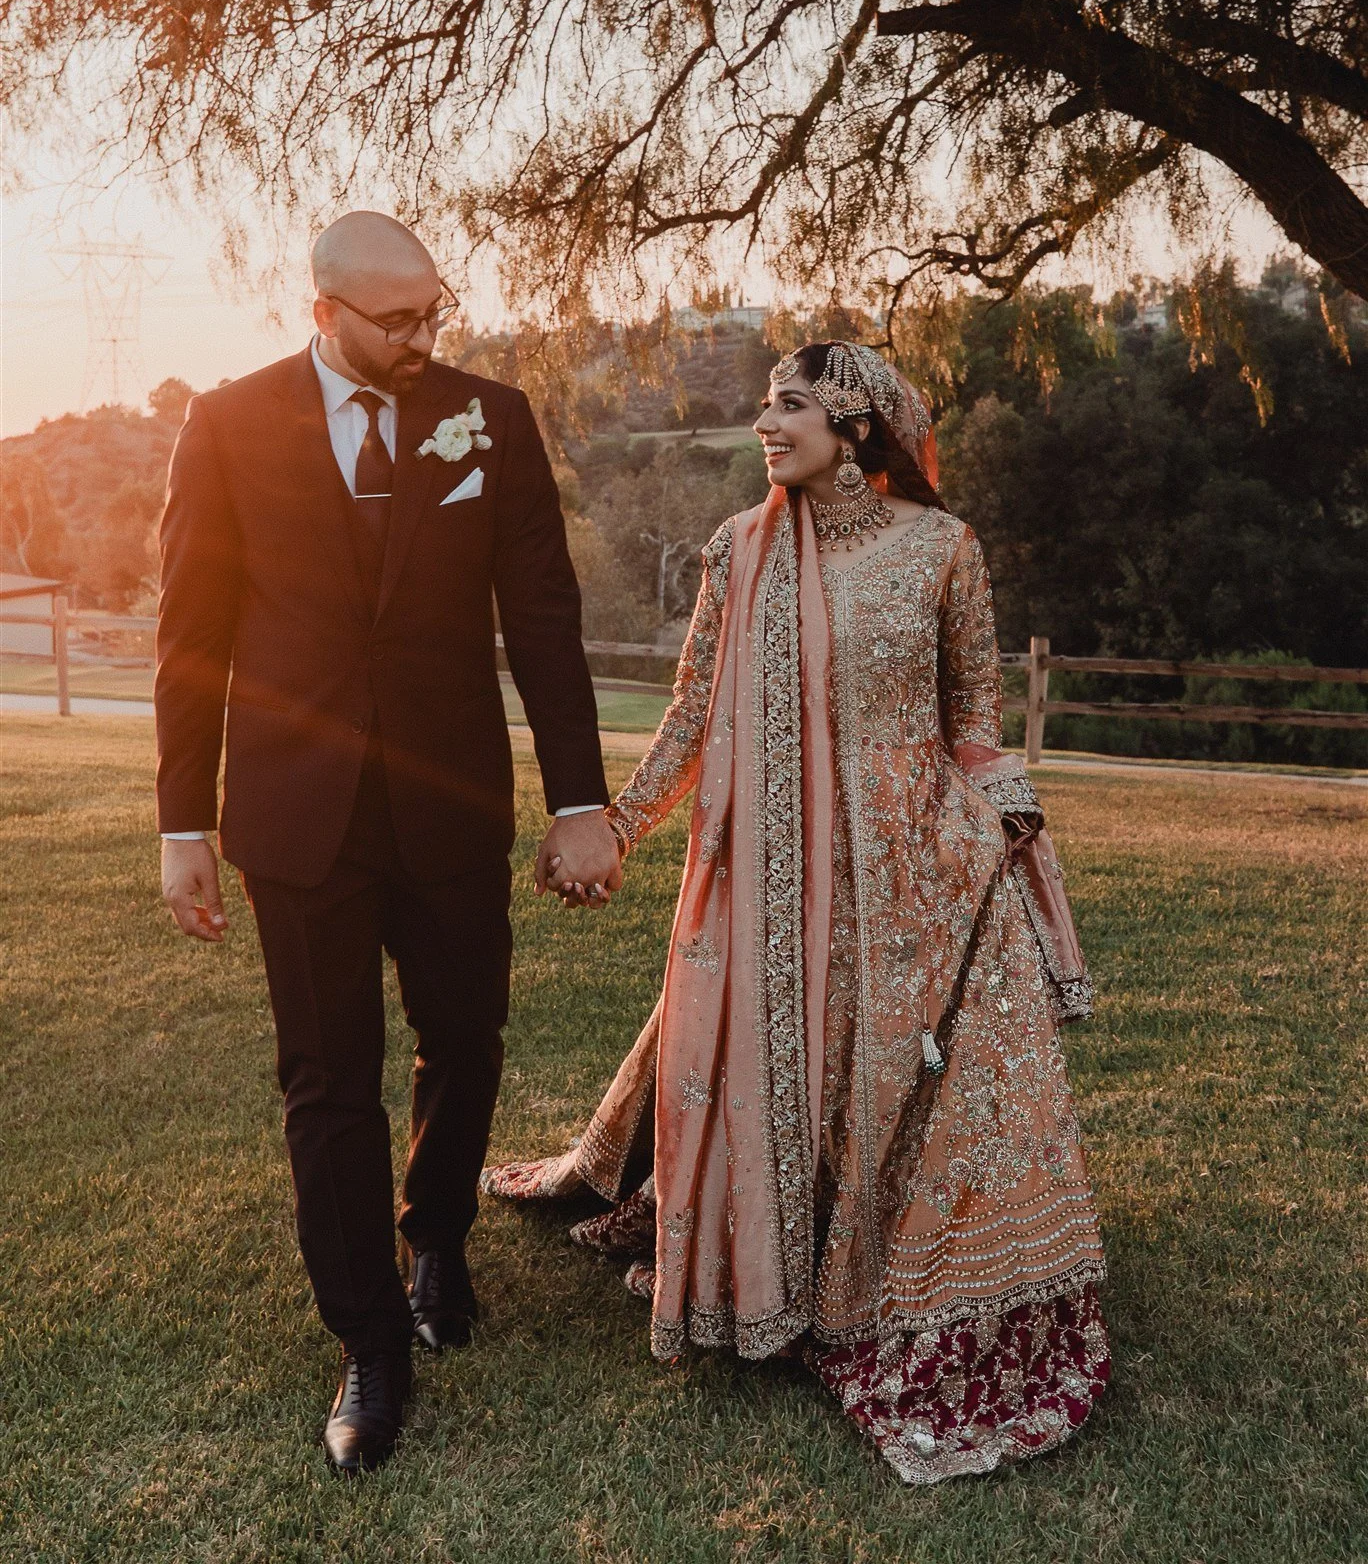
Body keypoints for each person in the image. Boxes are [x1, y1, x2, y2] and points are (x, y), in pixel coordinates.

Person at [485, 341, 1109, 1485]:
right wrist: (617, 826)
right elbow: (689, 714)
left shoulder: (944, 551)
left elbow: (972, 718)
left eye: (792, 405)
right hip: (772, 858)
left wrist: (1010, 830)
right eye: (766, 404)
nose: (765, 423)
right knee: (787, 1053)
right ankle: (774, 1268)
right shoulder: (740, 547)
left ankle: (876, 1276)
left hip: (914, 859)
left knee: (894, 1075)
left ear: (859, 425)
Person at [155, 211, 620, 1475]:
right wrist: (183, 820)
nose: (425, 336)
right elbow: (192, 630)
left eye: (436, 311)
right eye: (397, 318)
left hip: (450, 797)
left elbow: (542, 614)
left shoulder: (491, 417)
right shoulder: (229, 423)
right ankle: (369, 1339)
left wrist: (578, 796)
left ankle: (438, 1238)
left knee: (464, 1038)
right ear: (324, 312)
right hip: (297, 814)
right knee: (327, 1079)